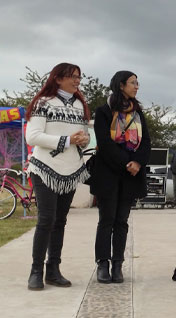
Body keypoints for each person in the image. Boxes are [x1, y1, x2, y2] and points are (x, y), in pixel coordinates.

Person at [24, 63, 91, 290]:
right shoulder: (43, 103)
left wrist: (83, 140)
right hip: (45, 168)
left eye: (78, 77)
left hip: (71, 169)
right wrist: (65, 141)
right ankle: (36, 270)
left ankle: (53, 269)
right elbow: (33, 137)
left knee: (60, 221)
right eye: (72, 77)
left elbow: (86, 134)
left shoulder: (81, 105)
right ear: (58, 78)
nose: (77, 81)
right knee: (46, 220)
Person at [90, 71, 151, 284]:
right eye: (133, 83)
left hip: (131, 176)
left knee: (122, 221)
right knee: (106, 220)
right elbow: (105, 143)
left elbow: (146, 143)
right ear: (121, 85)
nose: (137, 86)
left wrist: (137, 162)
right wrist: (127, 161)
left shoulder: (138, 113)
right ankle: (103, 264)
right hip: (108, 173)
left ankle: (118, 264)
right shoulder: (104, 111)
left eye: (137, 82)